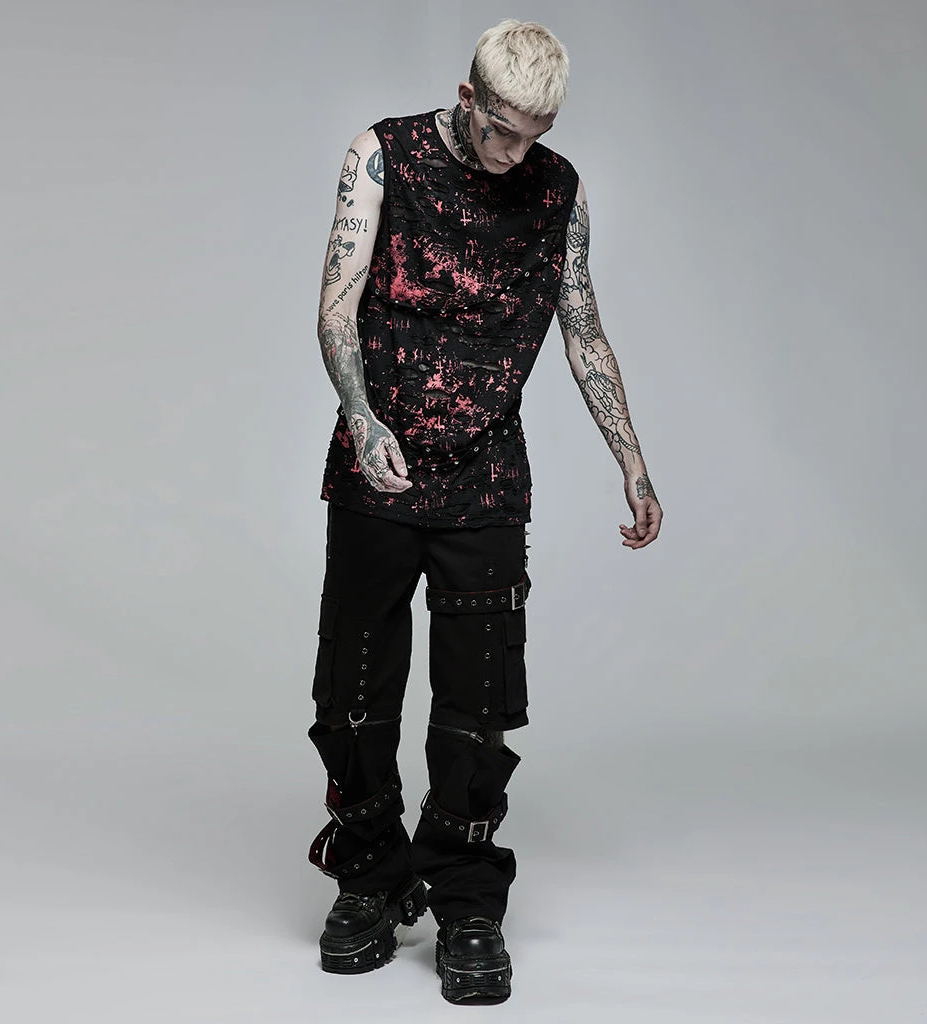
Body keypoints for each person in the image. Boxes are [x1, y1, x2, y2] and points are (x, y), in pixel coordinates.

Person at [306, 19, 662, 1005]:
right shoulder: (382, 155)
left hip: (487, 480)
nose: (516, 154)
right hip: (377, 468)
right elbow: (336, 303)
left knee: (480, 704)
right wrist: (360, 416)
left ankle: (465, 896)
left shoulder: (558, 190)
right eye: (504, 131)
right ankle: (370, 875)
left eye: (535, 135)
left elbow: (583, 329)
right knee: (353, 692)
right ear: (469, 100)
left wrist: (632, 460)